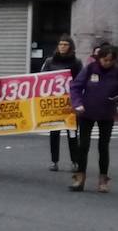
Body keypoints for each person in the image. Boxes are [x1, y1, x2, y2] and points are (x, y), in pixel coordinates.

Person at [68, 43, 118, 193]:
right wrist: (77, 104)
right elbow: (76, 87)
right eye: (105, 60)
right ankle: (80, 178)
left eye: (110, 60)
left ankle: (103, 180)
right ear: (99, 58)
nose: (107, 63)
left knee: (103, 147)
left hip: (106, 113)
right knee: (83, 146)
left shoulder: (116, 72)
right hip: (86, 113)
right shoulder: (90, 69)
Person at [42, 36, 83, 172]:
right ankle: (54, 161)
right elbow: (42, 78)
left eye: (65, 44)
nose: (62, 47)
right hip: (54, 103)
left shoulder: (76, 62)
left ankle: (75, 161)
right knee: (54, 132)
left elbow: (81, 80)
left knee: (72, 133)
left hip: (70, 103)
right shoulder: (50, 61)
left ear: (70, 47)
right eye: (60, 44)